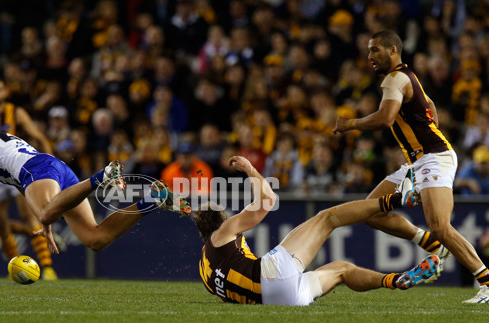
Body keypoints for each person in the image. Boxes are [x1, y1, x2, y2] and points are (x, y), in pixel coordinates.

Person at [334, 30, 488, 303]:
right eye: (369, 51)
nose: (370, 56)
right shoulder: (408, 76)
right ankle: (432, 245)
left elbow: (385, 118)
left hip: (433, 156)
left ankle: (486, 281)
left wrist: (350, 124)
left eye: (375, 50)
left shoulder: (394, 80)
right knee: (371, 211)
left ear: (393, 50)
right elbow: (429, 106)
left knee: (440, 224)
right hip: (419, 159)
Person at [195, 156, 440, 306]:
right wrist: (250, 170)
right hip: (270, 276)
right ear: (221, 220)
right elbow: (267, 201)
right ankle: (396, 200)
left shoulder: (204, 268)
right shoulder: (223, 232)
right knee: (327, 218)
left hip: (284, 300)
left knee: (342, 269)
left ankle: (396, 280)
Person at [0, 125, 190, 257]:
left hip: (38, 169)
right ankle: (152, 199)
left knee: (45, 214)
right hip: (51, 170)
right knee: (95, 239)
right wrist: (49, 222)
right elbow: (21, 186)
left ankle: (102, 176)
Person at [0, 76, 58, 279]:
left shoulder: (15, 112)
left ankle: (48, 267)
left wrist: (51, 163)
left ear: (5, 92)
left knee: (31, 216)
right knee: (1, 226)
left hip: (16, 172)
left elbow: (39, 136)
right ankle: (17, 268)